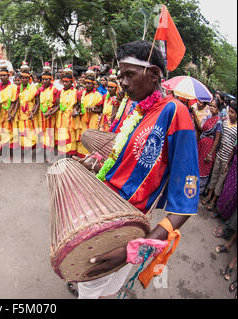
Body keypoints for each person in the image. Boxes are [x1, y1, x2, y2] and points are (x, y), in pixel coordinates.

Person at [72, 40, 199, 299]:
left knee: (97, 287)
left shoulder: (176, 113)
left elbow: (186, 201)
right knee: (92, 282)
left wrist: (136, 248)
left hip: (125, 225)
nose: (123, 83)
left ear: (153, 74)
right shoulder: (139, 108)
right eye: (121, 76)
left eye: (129, 74)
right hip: (99, 210)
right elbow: (122, 156)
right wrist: (95, 162)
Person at [203, 101, 237, 213]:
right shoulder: (224, 122)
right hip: (219, 154)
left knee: (221, 180)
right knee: (214, 175)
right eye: (229, 111)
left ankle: (213, 200)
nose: (230, 114)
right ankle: (208, 195)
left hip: (227, 159)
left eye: (232, 112)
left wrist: (228, 161)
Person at [197, 99, 223, 195]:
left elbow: (216, 140)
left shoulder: (218, 122)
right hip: (202, 145)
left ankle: (199, 190)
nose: (212, 108)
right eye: (211, 105)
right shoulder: (209, 117)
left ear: (218, 109)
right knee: (198, 166)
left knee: (204, 167)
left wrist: (210, 154)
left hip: (209, 148)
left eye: (214, 106)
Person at [75, 72, 103, 156]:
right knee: (82, 135)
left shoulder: (97, 95)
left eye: (89, 83)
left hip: (92, 119)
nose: (87, 85)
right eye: (86, 83)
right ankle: (80, 154)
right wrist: (76, 111)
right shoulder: (82, 93)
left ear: (94, 84)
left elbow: (100, 109)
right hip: (82, 118)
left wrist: (93, 109)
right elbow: (79, 104)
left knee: (90, 137)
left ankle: (90, 156)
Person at [14, 62, 38, 150]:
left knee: (30, 131)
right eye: (23, 78)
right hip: (21, 113)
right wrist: (13, 114)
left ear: (29, 79)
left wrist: (33, 112)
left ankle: (30, 148)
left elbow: (37, 103)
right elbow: (17, 102)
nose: (24, 80)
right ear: (20, 79)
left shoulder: (33, 88)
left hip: (30, 113)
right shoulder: (18, 88)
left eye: (26, 78)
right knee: (22, 131)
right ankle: (25, 149)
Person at [36, 62, 60, 152]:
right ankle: (43, 150)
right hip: (41, 114)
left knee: (50, 133)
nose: (44, 81)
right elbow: (37, 103)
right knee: (41, 132)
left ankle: (50, 151)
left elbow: (57, 106)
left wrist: (50, 112)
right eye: (43, 80)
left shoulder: (55, 90)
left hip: (51, 115)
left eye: (46, 79)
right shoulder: (40, 90)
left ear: (51, 80)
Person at [55, 65, 78, 156]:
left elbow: (78, 104)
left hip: (70, 117)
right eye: (64, 82)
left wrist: (76, 110)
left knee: (70, 134)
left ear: (71, 82)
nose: (65, 84)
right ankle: (62, 152)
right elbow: (57, 105)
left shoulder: (76, 91)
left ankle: (70, 153)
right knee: (61, 133)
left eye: (67, 82)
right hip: (61, 116)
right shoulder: (60, 92)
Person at [0, 62, 19, 151]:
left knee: (11, 131)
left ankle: (11, 150)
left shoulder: (13, 87)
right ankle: (5, 150)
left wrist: (11, 112)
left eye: (4, 75)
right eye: (1, 76)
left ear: (9, 76)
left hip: (10, 112)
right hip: (1, 113)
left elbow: (15, 101)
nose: (2, 77)